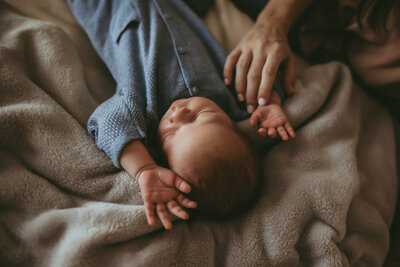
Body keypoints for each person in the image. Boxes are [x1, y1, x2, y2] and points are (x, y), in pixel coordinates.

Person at [66, 0, 295, 230]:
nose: (179, 114)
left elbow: (106, 122)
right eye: (199, 117)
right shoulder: (231, 99)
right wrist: (269, 102)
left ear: (163, 158)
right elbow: (257, 70)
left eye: (171, 134)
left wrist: (144, 168)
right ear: (231, 122)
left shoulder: (143, 113)